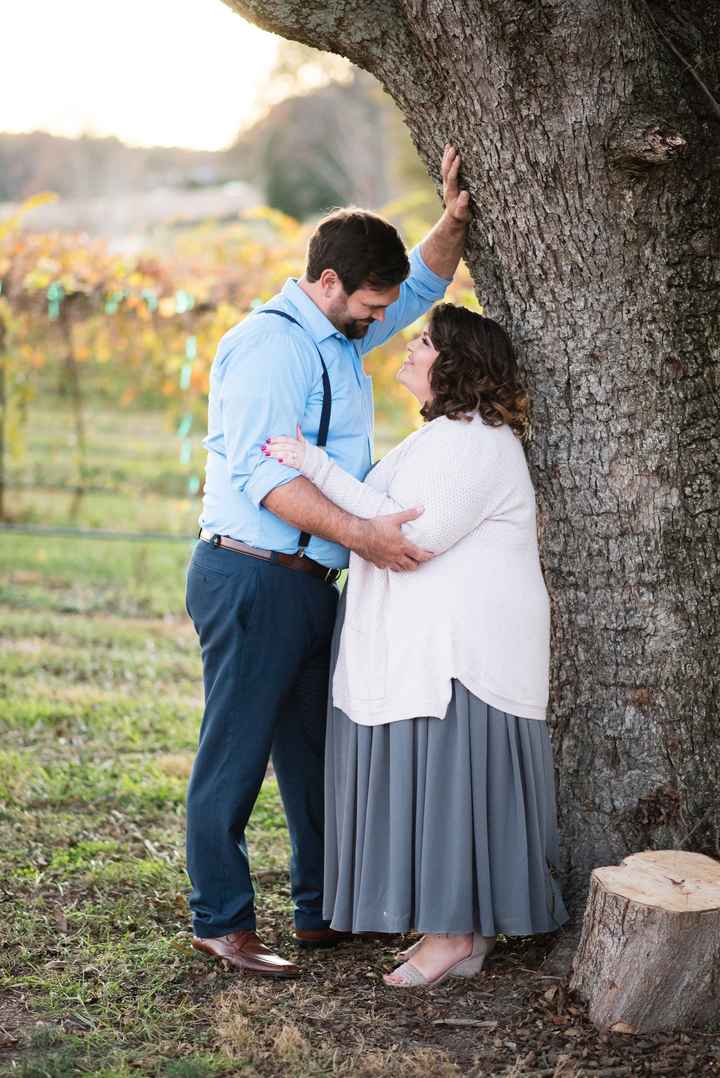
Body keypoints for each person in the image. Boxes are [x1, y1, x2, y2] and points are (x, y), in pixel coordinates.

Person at [184, 147, 470, 978]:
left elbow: (420, 283)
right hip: (252, 574)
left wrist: (451, 224)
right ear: (330, 281)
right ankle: (222, 919)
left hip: (314, 583)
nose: (382, 319)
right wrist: (366, 537)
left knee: (316, 755)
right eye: (369, 304)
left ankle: (322, 911)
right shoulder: (270, 348)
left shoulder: (342, 332)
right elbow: (266, 479)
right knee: (234, 754)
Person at [263, 302, 569, 987]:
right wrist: (314, 467)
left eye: (424, 340)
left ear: (454, 364)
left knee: (449, 798)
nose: (409, 346)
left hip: (463, 659)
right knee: (436, 797)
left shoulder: (475, 441)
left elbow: (412, 537)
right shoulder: (435, 440)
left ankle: (454, 935)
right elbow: (376, 511)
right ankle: (454, 936)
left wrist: (309, 462)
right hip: (429, 653)